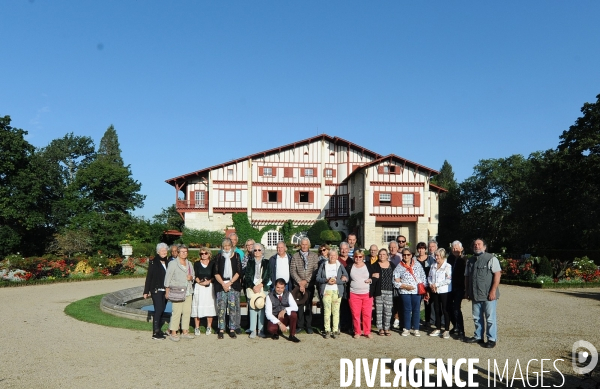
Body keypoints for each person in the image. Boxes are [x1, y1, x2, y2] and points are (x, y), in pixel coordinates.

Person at [464, 238, 501, 348]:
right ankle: (478, 336)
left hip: (488, 295)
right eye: (475, 244)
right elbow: (466, 276)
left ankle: (491, 339)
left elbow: (497, 275)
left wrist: (493, 291)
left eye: (479, 244)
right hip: (475, 294)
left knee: (490, 318)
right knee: (476, 317)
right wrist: (467, 291)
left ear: (484, 247)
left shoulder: (491, 258)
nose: (477, 246)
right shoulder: (470, 261)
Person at [393, 248, 428, 337]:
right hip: (405, 291)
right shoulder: (399, 266)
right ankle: (406, 328)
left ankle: (416, 328)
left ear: (411, 255)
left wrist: (424, 288)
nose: (406, 256)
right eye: (404, 255)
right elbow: (394, 281)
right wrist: (404, 286)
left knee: (416, 310)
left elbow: (423, 276)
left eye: (408, 255)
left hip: (416, 291)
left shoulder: (417, 265)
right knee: (406, 310)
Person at [213, 238, 243, 339]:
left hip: (233, 284)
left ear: (231, 246)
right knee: (221, 308)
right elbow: (216, 272)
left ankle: (232, 329)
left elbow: (239, 272)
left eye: (228, 246)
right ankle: (221, 329)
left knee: (232, 308)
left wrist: (230, 283)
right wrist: (223, 284)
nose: (226, 248)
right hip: (221, 285)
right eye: (224, 246)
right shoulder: (218, 256)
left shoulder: (236, 256)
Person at [164, 244, 195, 341]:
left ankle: (185, 331)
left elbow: (193, 276)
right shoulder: (173, 264)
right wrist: (167, 291)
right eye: (182, 252)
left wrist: (191, 278)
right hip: (177, 291)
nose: (184, 253)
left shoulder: (189, 263)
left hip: (188, 291)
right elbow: (167, 278)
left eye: (185, 252)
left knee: (187, 312)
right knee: (176, 312)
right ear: (178, 253)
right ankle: (173, 332)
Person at [316, 249, 348, 339]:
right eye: (330, 255)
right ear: (328, 256)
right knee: (327, 311)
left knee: (336, 311)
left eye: (334, 255)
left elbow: (346, 278)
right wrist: (326, 280)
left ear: (337, 256)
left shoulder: (340, 265)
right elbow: (318, 278)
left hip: (337, 291)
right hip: (326, 291)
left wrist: (337, 281)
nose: (332, 257)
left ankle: (335, 330)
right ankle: (327, 330)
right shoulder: (323, 265)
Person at [290, 237, 319, 334]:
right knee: (300, 306)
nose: (304, 246)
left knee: (309, 305)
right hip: (298, 286)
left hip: (309, 284)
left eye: (306, 244)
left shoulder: (314, 256)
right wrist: (300, 282)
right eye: (303, 244)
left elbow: (315, 270)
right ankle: (300, 325)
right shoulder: (295, 256)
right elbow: (292, 270)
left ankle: (308, 325)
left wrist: (306, 281)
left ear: (309, 245)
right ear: (300, 245)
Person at [143, 242, 170, 340]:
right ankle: (155, 332)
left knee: (162, 309)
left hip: (165, 290)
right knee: (158, 309)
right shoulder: (154, 262)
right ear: (158, 252)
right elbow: (149, 277)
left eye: (165, 250)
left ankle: (159, 329)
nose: (164, 252)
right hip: (156, 289)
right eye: (162, 250)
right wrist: (146, 291)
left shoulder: (168, 261)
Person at [346, 249, 374, 338]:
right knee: (355, 314)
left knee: (367, 314)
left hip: (366, 293)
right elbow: (346, 277)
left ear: (363, 257)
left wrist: (371, 279)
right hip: (354, 294)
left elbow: (374, 276)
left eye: (360, 256)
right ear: (354, 257)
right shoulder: (350, 266)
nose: (358, 258)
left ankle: (367, 331)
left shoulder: (368, 265)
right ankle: (357, 331)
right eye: (356, 256)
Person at [244, 243, 270, 339]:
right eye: (255, 250)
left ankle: (261, 330)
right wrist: (253, 286)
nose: (257, 252)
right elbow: (247, 276)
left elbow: (268, 276)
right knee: (252, 308)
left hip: (262, 286)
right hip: (252, 287)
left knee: (261, 308)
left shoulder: (266, 262)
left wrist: (260, 285)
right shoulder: (250, 262)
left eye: (259, 250)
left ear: (262, 251)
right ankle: (253, 330)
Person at [264, 278, 301, 343]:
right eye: (278, 287)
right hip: (275, 317)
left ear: (284, 288)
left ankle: (292, 335)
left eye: (282, 288)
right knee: (271, 329)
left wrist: (285, 310)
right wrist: (280, 324)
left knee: (293, 314)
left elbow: (295, 307)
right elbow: (268, 314)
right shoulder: (269, 296)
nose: (279, 290)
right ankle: (276, 332)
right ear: (275, 286)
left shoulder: (288, 294)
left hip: (285, 317)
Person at [427, 248, 452, 339]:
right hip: (435, 290)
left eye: (437, 255)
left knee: (445, 309)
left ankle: (446, 329)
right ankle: (438, 327)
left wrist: (437, 284)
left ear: (442, 256)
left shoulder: (447, 266)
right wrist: (431, 284)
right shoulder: (433, 265)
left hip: (444, 291)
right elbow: (429, 276)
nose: (435, 257)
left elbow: (448, 279)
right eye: (435, 255)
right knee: (436, 309)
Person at [191, 247, 217, 336]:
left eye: (205, 253)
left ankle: (209, 326)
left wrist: (209, 281)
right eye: (201, 254)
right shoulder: (197, 264)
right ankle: (197, 327)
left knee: (209, 306)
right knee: (198, 305)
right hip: (199, 287)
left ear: (209, 254)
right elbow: (195, 275)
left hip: (209, 287)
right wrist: (199, 282)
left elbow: (215, 275)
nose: (203, 255)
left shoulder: (213, 264)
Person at [371, 248, 396, 336]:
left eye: (384, 254)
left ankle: (386, 328)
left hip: (389, 291)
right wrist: (373, 275)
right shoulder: (375, 265)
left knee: (388, 311)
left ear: (387, 256)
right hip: (379, 291)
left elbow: (396, 276)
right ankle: (380, 328)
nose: (382, 256)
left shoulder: (391, 265)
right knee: (379, 311)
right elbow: (371, 275)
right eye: (380, 254)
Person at [447, 240, 467, 338]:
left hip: (460, 287)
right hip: (450, 286)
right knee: (448, 307)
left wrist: (466, 290)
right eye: (453, 248)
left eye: (456, 248)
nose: (455, 250)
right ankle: (455, 325)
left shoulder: (465, 259)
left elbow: (467, 276)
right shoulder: (449, 258)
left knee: (456, 308)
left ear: (461, 249)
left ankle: (461, 330)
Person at [415, 241, 434, 328]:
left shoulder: (430, 259)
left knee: (428, 303)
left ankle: (427, 321)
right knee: (417, 303)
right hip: (418, 284)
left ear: (425, 249)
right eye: (419, 248)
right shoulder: (414, 260)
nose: (421, 250)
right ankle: (416, 320)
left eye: (422, 248)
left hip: (428, 284)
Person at [388, 241, 402, 329]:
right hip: (389, 282)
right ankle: (392, 318)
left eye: (394, 247)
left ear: (397, 248)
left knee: (398, 301)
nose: (392, 249)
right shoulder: (387, 256)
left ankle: (397, 318)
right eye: (390, 247)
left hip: (398, 282)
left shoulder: (400, 257)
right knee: (391, 301)